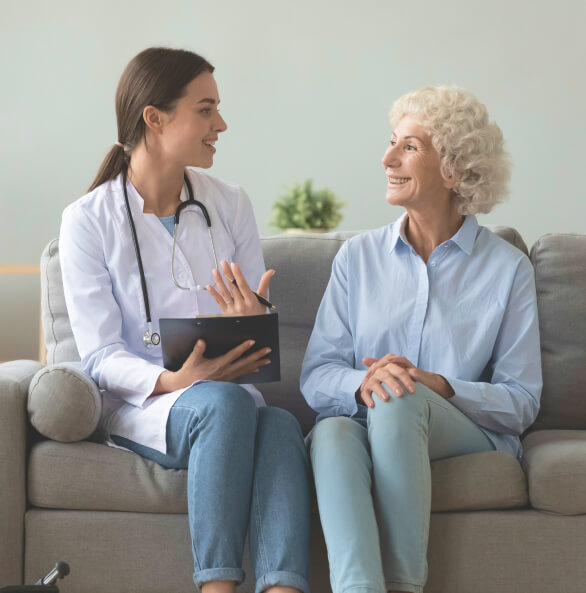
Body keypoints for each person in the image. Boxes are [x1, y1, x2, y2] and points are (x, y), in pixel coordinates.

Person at [59, 47, 309, 593]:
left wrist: (253, 322)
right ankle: (216, 587)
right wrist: (175, 381)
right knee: (221, 402)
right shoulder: (87, 221)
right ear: (155, 117)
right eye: (205, 109)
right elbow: (99, 355)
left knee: (282, 425)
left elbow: (259, 336)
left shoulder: (230, 203)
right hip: (144, 403)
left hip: (230, 394)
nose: (220, 124)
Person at [300, 85, 542, 593]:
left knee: (402, 394)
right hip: (371, 417)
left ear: (454, 168)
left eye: (409, 146)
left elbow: (521, 403)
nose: (388, 158)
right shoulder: (357, 258)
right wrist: (365, 381)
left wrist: (437, 385)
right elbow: (317, 376)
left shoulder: (508, 269)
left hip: (464, 433)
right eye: (392, 142)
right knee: (332, 434)